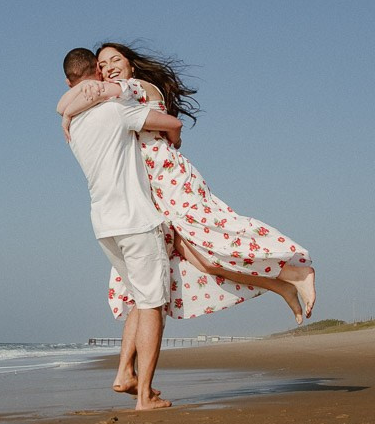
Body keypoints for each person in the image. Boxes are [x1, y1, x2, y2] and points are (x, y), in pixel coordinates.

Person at [62, 42, 316, 327]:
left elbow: (64, 106)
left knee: (219, 233)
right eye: (103, 65)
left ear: (131, 65)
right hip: (154, 190)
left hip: (171, 181)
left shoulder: (134, 86)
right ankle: (281, 285)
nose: (109, 68)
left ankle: (296, 273)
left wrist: (70, 111)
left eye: (115, 60)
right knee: (205, 262)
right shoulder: (121, 102)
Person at [57, 47, 183, 411]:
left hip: (103, 226)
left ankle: (124, 375)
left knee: (138, 303)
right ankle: (144, 396)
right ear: (98, 74)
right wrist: (174, 144)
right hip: (136, 221)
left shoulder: (75, 125)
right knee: (153, 306)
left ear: (69, 82)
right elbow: (171, 123)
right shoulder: (115, 110)